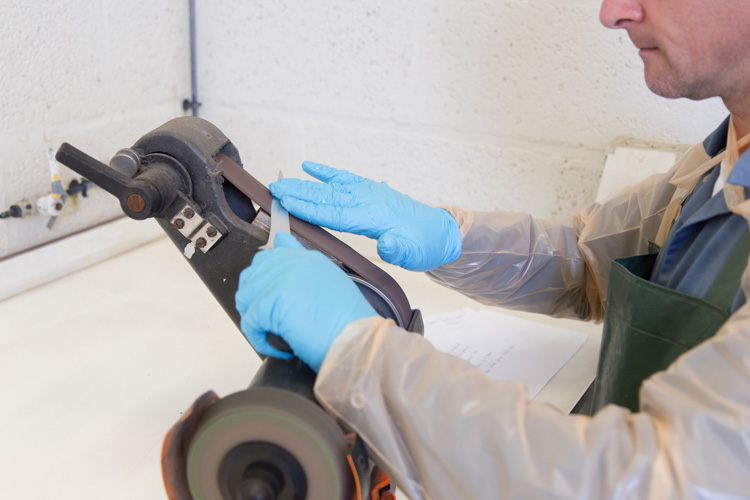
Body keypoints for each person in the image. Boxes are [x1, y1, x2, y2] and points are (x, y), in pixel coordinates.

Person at [234, 0, 750, 498]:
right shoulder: (722, 159)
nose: (611, 12)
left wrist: (363, 359)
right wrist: (450, 240)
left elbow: (653, 483)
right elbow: (591, 260)